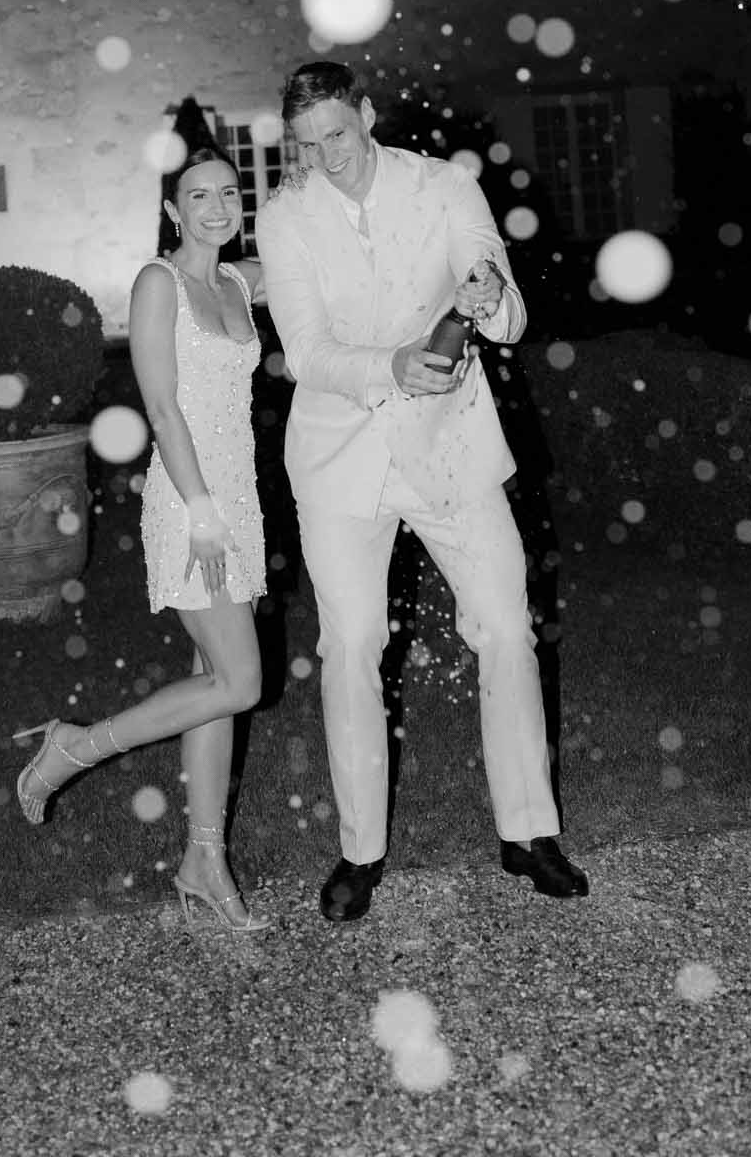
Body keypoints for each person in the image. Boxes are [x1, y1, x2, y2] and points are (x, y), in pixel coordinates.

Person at [254, 60, 589, 923]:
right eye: (307, 144)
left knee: (507, 627)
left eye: (337, 133)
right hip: (340, 457)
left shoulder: (445, 186)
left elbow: (507, 313)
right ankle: (360, 851)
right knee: (352, 645)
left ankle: (528, 833)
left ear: (366, 115)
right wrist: (393, 366)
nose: (326, 156)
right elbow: (308, 352)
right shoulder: (285, 217)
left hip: (450, 446)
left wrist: (490, 292)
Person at [12, 142, 271, 934]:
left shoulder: (239, 281)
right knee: (241, 683)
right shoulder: (159, 283)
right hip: (192, 503)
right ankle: (75, 747)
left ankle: (204, 863)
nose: (217, 207)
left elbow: (325, 257)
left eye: (228, 193)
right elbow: (162, 407)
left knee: (213, 685)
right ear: (172, 210)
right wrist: (201, 510)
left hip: (242, 498)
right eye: (199, 196)